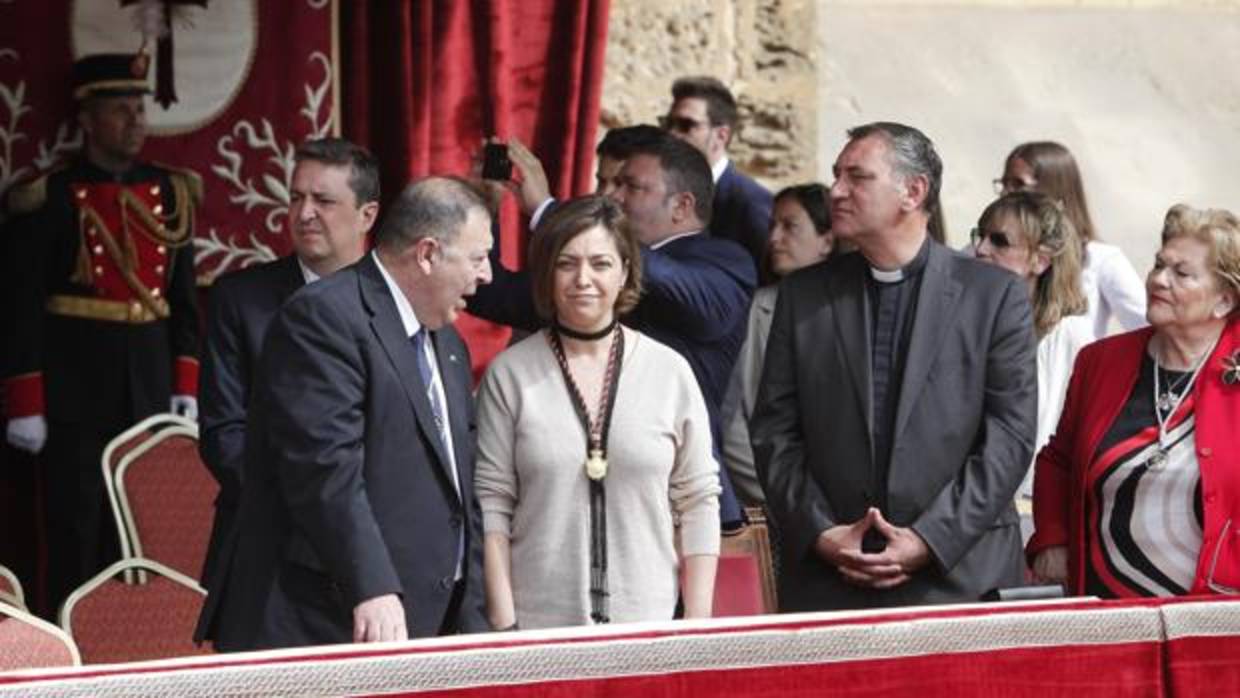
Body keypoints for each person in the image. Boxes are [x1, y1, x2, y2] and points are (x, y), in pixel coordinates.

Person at [751, 122, 1037, 612]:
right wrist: (821, 532)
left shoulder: (992, 296)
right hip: (831, 577)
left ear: (913, 191)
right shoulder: (804, 295)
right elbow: (774, 431)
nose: (836, 191)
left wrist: (929, 539)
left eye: (857, 177)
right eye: (836, 175)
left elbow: (1009, 437)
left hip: (958, 577)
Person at [213, 177, 493, 650]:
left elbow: (462, 486)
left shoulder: (448, 342)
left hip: (427, 622)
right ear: (427, 254)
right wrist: (372, 584)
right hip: (328, 618)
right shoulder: (324, 317)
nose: (486, 276)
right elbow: (324, 468)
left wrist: (474, 611)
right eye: (478, 258)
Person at [470, 133, 754, 528]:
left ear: (682, 205)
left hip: (678, 508)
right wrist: (487, 205)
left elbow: (682, 293)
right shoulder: (591, 277)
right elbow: (491, 293)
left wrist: (549, 211)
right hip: (584, 503)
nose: (612, 197)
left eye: (631, 187)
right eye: (611, 184)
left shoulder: (723, 262)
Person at [1, 52, 201, 615]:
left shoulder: (172, 192)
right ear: (87, 119)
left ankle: (142, 634)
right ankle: (72, 637)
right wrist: (25, 401)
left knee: (146, 528)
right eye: (121, 109)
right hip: (74, 400)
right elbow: (19, 307)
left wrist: (186, 384)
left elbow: (184, 304)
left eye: (140, 108)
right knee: (77, 528)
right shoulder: (49, 196)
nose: (136, 120)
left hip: (149, 392)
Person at [475, 196, 720, 629]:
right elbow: (492, 502)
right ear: (547, 273)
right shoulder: (510, 375)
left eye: (601, 264)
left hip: (650, 626)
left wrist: (696, 624)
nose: (583, 280)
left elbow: (698, 499)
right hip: (537, 628)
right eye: (566, 264)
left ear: (625, 271)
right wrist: (505, 622)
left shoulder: (669, 372)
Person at [194, 138, 380, 643]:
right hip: (266, 557)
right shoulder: (241, 299)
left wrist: (353, 524)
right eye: (297, 198)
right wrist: (318, 507)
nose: (305, 213)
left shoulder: (395, 303)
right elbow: (223, 435)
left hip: (378, 556)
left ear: (367, 215)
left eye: (324, 200)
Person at [1028, 204, 1240, 597]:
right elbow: (1059, 459)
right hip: (1106, 606)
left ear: (1224, 301)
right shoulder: (1100, 361)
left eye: (1181, 273)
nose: (1158, 279)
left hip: (1216, 611)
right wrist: (1052, 540)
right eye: (1159, 265)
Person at [972, 191, 1093, 516]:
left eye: (999, 241)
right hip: (969, 501)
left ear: (1040, 260)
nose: (981, 249)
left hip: (1031, 510)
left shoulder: (1069, 335)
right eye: (979, 235)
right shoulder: (968, 323)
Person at [720, 183, 835, 506]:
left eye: (789, 226)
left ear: (827, 241)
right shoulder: (757, 310)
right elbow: (734, 426)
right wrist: (792, 503)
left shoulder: (853, 309)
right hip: (779, 502)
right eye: (773, 225)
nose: (773, 238)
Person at [997, 141, 1146, 339]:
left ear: (1055, 189)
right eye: (1004, 183)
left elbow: (1148, 327)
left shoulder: (1101, 259)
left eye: (1018, 184)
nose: (1005, 193)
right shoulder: (987, 248)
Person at [662, 76, 773, 270]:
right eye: (667, 123)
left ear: (721, 135)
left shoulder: (750, 203)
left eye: (686, 125)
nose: (672, 133)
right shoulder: (663, 193)